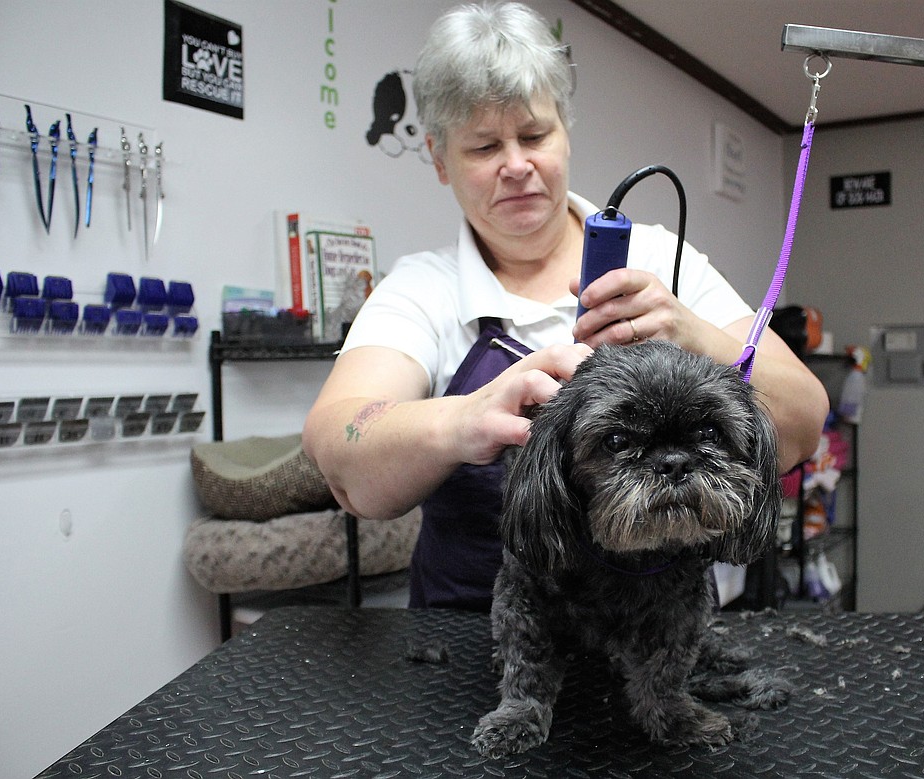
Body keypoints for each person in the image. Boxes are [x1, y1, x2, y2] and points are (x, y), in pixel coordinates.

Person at [303, 1, 829, 611]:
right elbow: (339, 457)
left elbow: (804, 421)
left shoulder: (659, 259)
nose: (517, 165)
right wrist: (463, 421)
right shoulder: (423, 289)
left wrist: (694, 334)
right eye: (482, 147)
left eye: (534, 135)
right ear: (439, 159)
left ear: (565, 132)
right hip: (476, 647)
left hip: (657, 643)